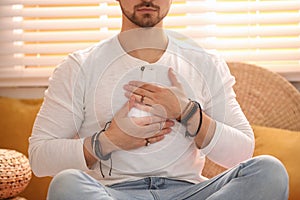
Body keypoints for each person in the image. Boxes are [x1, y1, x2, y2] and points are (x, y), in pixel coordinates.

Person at [28, 0, 289, 199]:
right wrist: (109, 141)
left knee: (269, 171)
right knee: (66, 184)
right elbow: (40, 158)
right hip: (113, 193)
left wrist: (187, 113)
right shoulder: (79, 67)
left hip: (190, 192)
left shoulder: (205, 63)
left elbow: (242, 152)